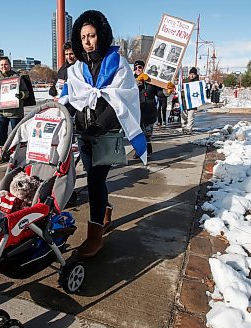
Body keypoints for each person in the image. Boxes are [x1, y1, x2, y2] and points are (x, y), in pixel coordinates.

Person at [60, 10, 145, 257]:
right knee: (94, 178)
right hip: (83, 134)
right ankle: (105, 211)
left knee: (95, 181)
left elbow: (122, 101)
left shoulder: (119, 63)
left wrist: (100, 126)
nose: (87, 41)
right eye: (83, 36)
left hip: (106, 133)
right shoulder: (76, 69)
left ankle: (95, 236)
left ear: (101, 35)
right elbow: (70, 98)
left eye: (92, 35)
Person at [0, 56, 31, 164]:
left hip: (15, 113)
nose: (4, 67)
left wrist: (21, 94)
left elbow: (26, 92)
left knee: (17, 136)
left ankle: (18, 157)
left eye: (5, 64)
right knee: (2, 136)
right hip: (1, 112)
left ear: (10, 65)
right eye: (1, 65)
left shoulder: (17, 77)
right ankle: (3, 156)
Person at [133, 60, 174, 158]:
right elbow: (128, 90)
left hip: (149, 110)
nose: (137, 69)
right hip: (136, 110)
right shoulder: (130, 79)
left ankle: (148, 147)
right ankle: (138, 151)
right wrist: (138, 81)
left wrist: (167, 91)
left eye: (140, 67)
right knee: (137, 132)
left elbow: (159, 93)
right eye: (136, 68)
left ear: (144, 68)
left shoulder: (151, 80)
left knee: (147, 132)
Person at [180, 67, 199, 134]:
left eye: (193, 74)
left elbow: (198, 94)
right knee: (183, 116)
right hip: (184, 101)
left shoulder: (197, 82)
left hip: (192, 102)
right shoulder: (184, 81)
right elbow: (180, 91)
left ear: (196, 75)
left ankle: (189, 129)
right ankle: (184, 128)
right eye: (190, 74)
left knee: (190, 117)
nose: (192, 75)